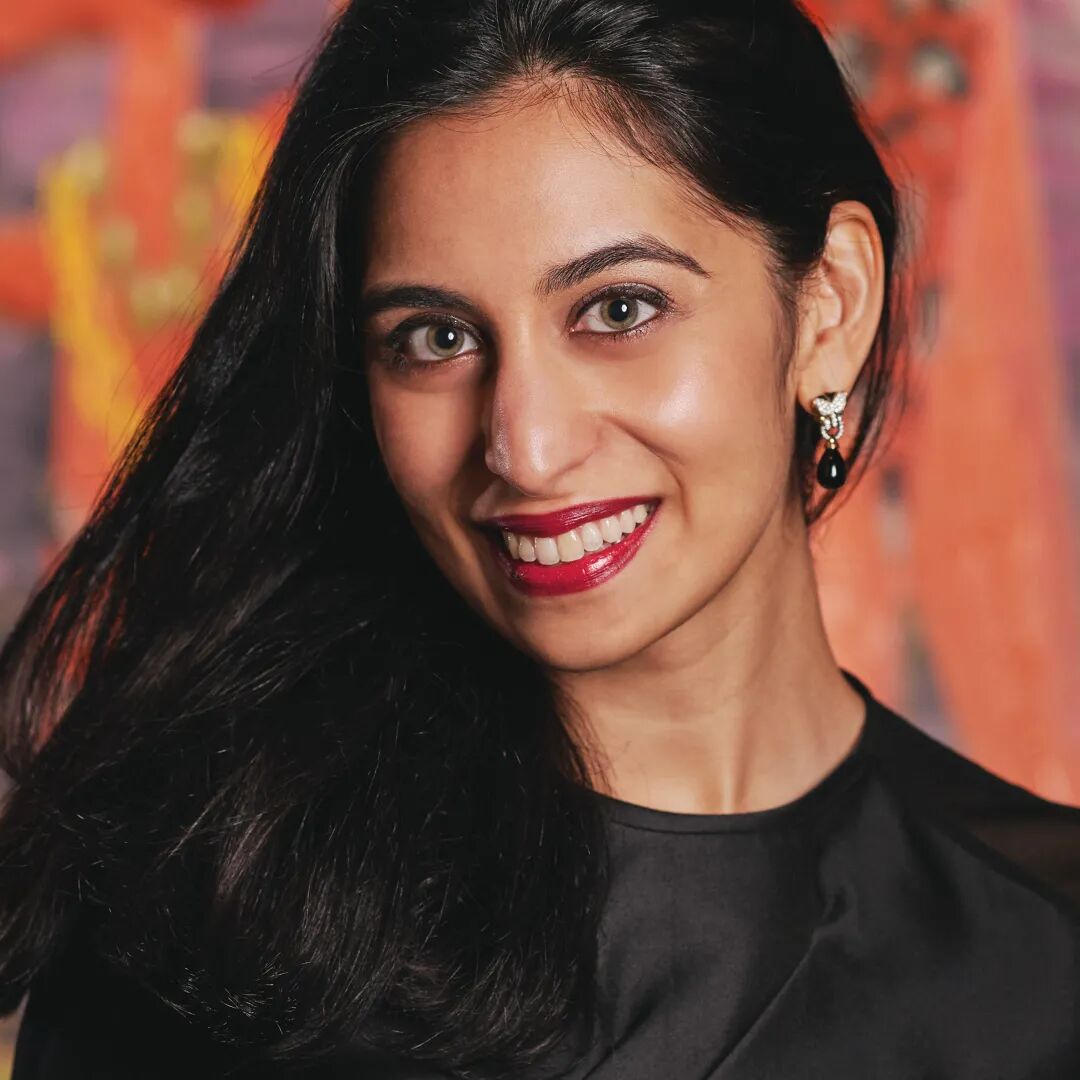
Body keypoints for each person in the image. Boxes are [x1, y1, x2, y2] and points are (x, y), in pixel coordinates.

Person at [2, 0, 1079, 1076]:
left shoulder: (1049, 956)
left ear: (829, 306)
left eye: (618, 311)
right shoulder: (209, 926)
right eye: (436, 338)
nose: (524, 447)